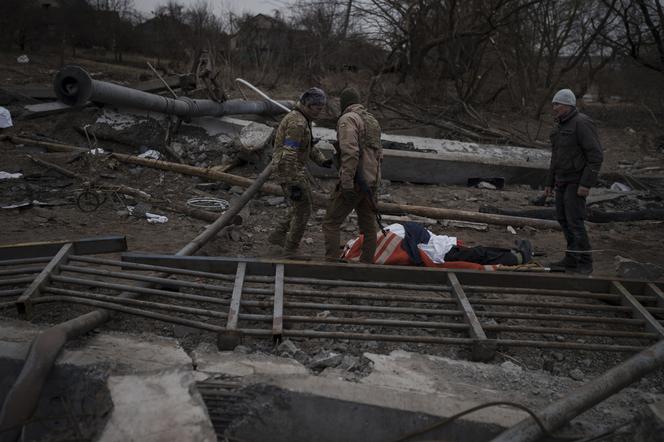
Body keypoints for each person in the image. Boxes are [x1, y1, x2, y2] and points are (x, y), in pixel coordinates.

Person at [544, 88, 603, 274]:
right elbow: (555, 158)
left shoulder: (582, 123)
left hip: (576, 182)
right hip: (561, 179)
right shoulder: (559, 127)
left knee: (575, 221)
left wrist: (586, 184)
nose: (554, 108)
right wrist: (549, 183)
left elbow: (595, 156)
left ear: (568, 105)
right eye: (553, 104)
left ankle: (586, 262)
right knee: (562, 219)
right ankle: (571, 258)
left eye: (558, 104)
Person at [268, 87, 333, 256]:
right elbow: (290, 152)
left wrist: (322, 161)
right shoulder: (297, 123)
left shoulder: (304, 119)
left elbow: (308, 145)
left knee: (301, 205)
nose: (320, 112)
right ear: (308, 105)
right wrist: (293, 182)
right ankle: (291, 249)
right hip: (289, 170)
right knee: (303, 209)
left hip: (293, 169)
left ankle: (278, 234)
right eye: (318, 109)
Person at [323, 87, 383, 263]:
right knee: (368, 227)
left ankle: (331, 265)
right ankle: (366, 265)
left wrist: (347, 182)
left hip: (356, 180)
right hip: (371, 181)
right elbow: (379, 154)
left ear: (344, 103)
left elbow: (350, 152)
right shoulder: (372, 120)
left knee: (330, 223)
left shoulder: (348, 119)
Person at [342, 222, 534, 269]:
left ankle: (514, 254)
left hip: (429, 243)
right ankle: (516, 257)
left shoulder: (376, 239)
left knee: (474, 252)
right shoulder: (382, 241)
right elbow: (407, 253)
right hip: (434, 249)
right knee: (476, 254)